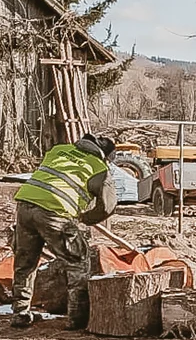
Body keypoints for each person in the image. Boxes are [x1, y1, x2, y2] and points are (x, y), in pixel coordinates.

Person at [11, 133, 118, 330]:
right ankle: (77, 318)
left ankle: (20, 313)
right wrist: (86, 218)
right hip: (55, 212)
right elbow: (108, 207)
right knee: (78, 261)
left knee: (25, 263)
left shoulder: (59, 150)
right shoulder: (98, 167)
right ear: (105, 156)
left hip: (25, 206)